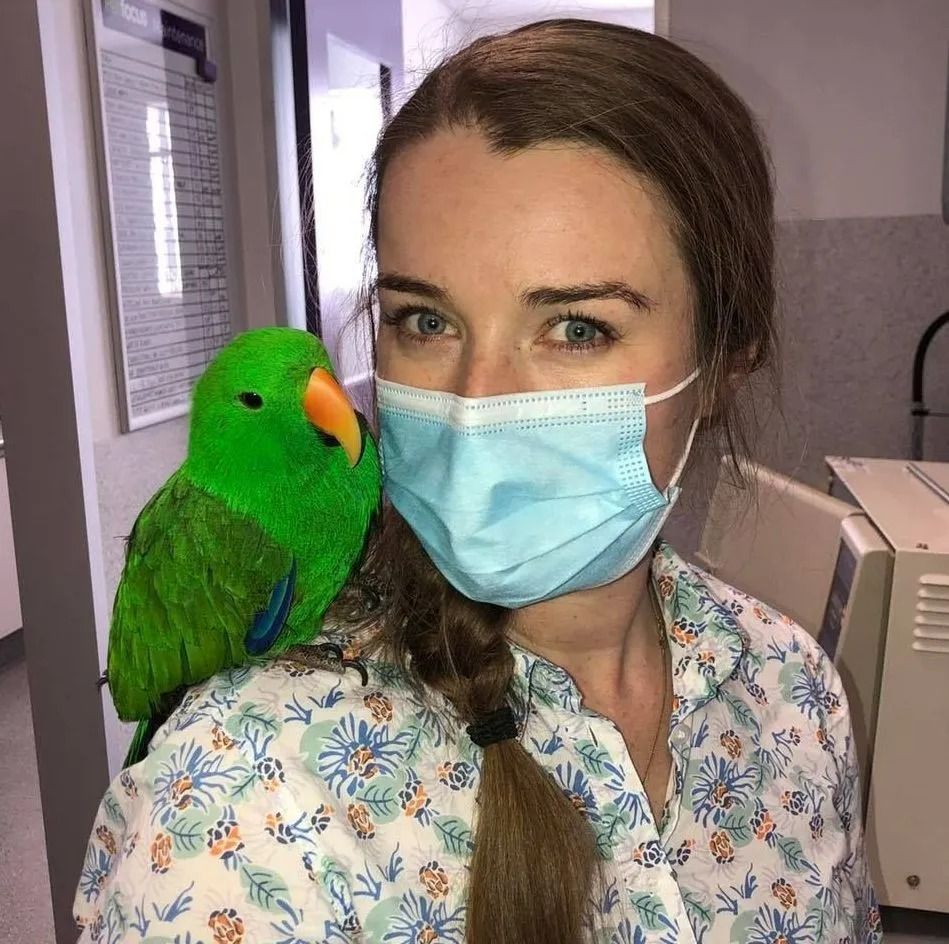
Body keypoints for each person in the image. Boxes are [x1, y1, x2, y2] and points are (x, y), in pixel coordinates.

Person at [75, 19, 881, 944]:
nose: (475, 404)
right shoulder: (238, 799)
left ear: (723, 361)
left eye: (576, 328)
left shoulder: (792, 690)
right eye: (424, 321)